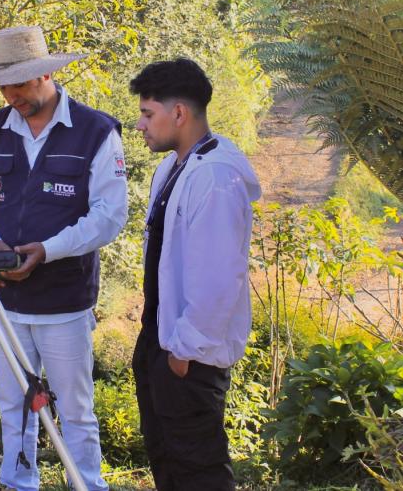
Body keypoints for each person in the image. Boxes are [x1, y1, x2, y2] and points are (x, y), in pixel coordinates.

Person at [0, 26, 128, 491]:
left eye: (21, 83)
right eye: (4, 85)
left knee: (74, 406)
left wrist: (48, 251)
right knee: (12, 399)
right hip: (6, 300)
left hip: (65, 300)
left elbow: (111, 216)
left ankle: (85, 483)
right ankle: (17, 481)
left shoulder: (96, 130)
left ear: (47, 74)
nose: (11, 95)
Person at [128, 58, 261, 490]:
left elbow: (220, 279)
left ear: (179, 113)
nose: (141, 125)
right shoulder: (175, 167)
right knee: (166, 457)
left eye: (148, 114)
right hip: (162, 339)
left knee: (198, 466)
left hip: (189, 353)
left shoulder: (216, 177)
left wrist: (185, 351)